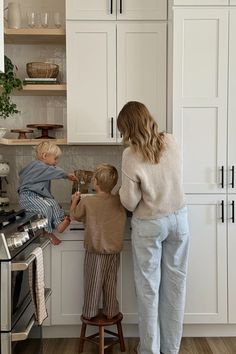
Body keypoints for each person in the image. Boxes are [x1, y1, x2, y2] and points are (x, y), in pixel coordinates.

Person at [117, 101, 189, 354]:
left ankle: (150, 350)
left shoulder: (130, 154)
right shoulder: (171, 140)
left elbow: (129, 201)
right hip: (179, 220)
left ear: (128, 127)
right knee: (175, 287)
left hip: (149, 224)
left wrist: (120, 189)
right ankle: (171, 349)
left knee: (148, 290)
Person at [70, 163, 127, 320]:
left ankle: (89, 312)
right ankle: (111, 311)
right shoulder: (120, 201)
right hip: (114, 252)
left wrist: (75, 200)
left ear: (96, 182)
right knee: (110, 283)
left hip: (95, 251)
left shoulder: (88, 201)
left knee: (93, 284)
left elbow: (75, 215)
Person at [18, 141, 77, 245]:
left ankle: (59, 224)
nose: (57, 162)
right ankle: (46, 232)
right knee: (45, 208)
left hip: (38, 196)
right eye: (55, 158)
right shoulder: (38, 166)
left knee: (53, 203)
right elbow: (53, 171)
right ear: (45, 156)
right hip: (27, 196)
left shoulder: (41, 168)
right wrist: (66, 175)